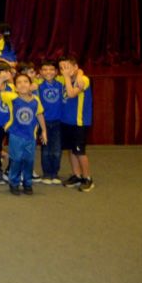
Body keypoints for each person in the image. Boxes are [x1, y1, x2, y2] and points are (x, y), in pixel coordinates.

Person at [0, 73, 48, 195]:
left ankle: (27, 183)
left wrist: (44, 131)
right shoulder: (12, 98)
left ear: (31, 85)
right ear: (15, 87)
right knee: (16, 160)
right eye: (19, 82)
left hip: (30, 136)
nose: (23, 84)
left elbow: (39, 115)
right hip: (16, 135)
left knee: (29, 161)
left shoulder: (36, 100)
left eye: (25, 81)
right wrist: (1, 80)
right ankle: (14, 183)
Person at [59, 56, 94, 192]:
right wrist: (68, 76)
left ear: (75, 67)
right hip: (66, 121)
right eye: (62, 68)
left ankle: (87, 178)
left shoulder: (83, 80)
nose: (64, 70)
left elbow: (72, 94)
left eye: (67, 67)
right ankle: (76, 175)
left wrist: (73, 75)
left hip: (79, 122)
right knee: (71, 150)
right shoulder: (63, 79)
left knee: (80, 151)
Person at [37, 60, 64, 184]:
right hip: (44, 123)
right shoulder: (37, 85)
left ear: (56, 72)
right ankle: (47, 174)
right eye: (45, 70)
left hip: (58, 122)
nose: (48, 72)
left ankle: (55, 173)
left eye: (51, 69)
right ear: (41, 72)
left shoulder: (61, 84)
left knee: (57, 149)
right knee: (46, 149)